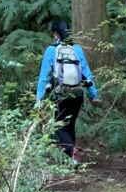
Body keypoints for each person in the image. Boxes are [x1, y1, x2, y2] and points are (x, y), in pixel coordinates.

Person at [36, 18, 99, 162]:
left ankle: (72, 150)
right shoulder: (77, 49)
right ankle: (72, 158)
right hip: (77, 94)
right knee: (70, 124)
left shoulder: (51, 50)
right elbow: (86, 74)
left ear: (55, 34)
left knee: (59, 127)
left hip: (60, 95)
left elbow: (44, 76)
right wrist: (93, 95)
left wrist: (39, 99)